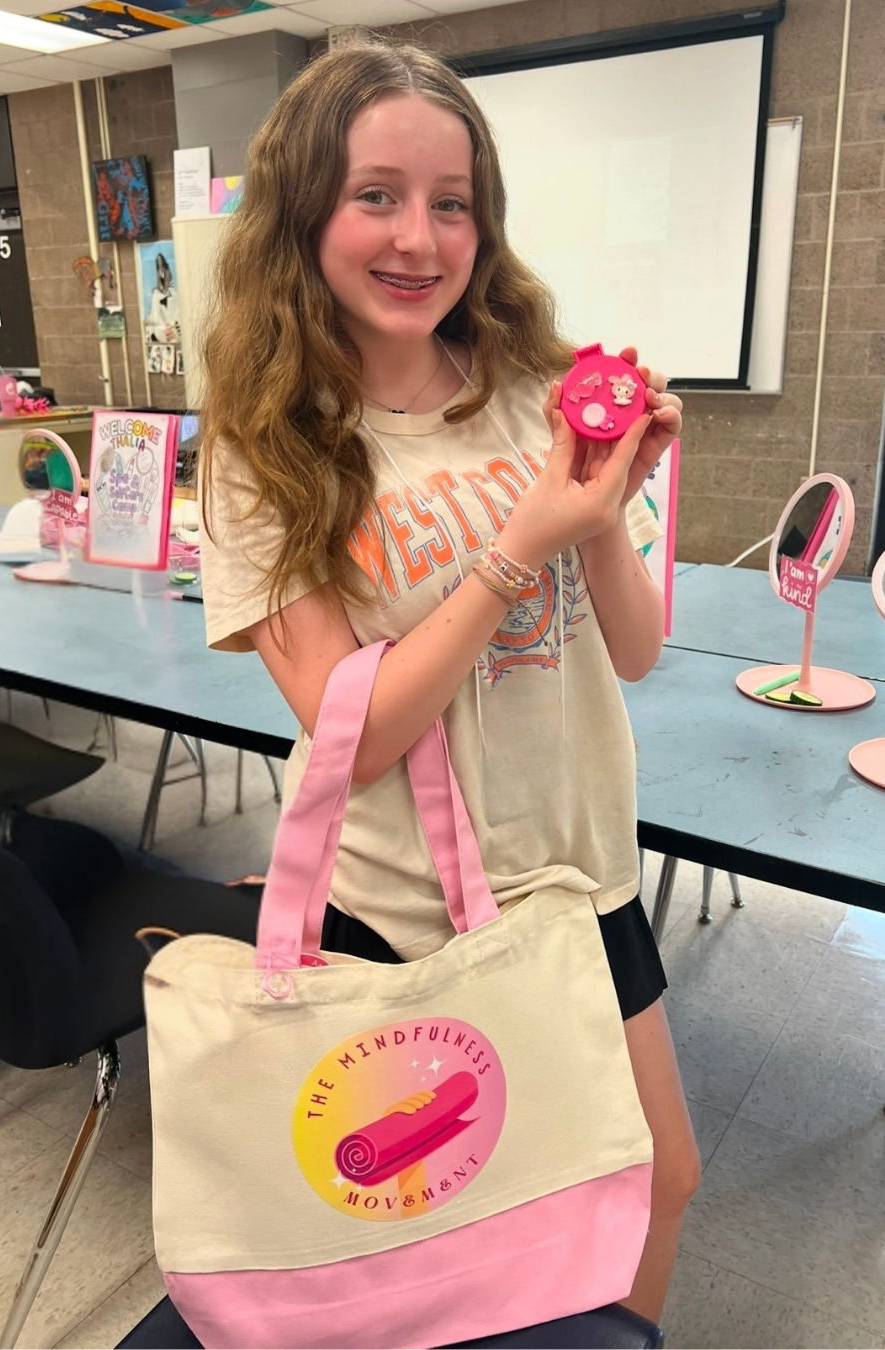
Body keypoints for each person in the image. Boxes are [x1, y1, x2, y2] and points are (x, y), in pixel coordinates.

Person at [197, 40, 699, 1325]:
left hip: (584, 872)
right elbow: (347, 739)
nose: (419, 237)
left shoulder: (536, 389)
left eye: (452, 201)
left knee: (660, 1181)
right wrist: (517, 543)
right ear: (306, 211)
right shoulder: (266, 453)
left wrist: (602, 504)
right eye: (376, 195)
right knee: (461, 1239)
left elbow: (631, 654)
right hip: (413, 911)